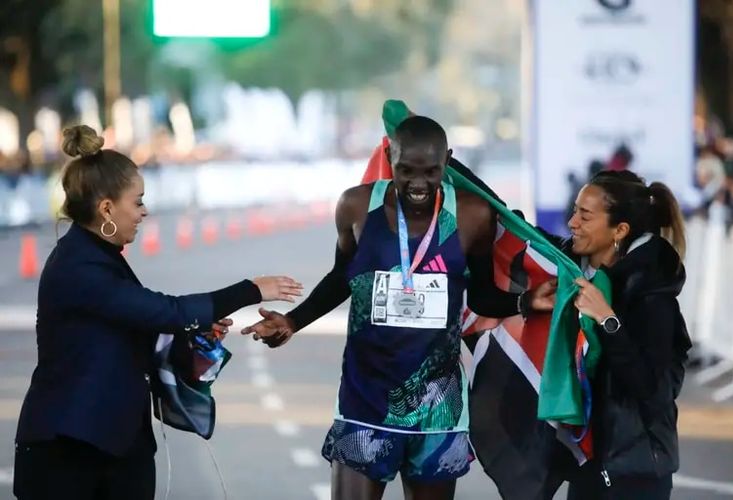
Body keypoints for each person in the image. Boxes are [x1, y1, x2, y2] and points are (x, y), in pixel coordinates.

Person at [242, 116, 553, 500]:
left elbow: (482, 296)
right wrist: (293, 320)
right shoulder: (357, 206)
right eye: (406, 170)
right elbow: (343, 277)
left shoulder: (472, 216)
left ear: (447, 161)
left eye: (430, 172)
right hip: (365, 399)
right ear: (390, 157)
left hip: (438, 407)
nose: (417, 184)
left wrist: (524, 302)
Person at [13, 125, 303, 500]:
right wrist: (251, 290)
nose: (145, 212)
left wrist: (193, 334)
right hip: (71, 446)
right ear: (106, 208)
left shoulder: (99, 257)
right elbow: (163, 310)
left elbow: (142, 327)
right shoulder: (78, 266)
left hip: (115, 442)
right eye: (137, 202)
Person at [551, 170, 691, 499]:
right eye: (574, 211)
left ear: (620, 230)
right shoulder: (578, 276)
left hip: (636, 470)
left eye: (585, 216)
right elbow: (524, 237)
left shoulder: (652, 294)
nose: (572, 223)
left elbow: (651, 389)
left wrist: (608, 320)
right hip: (589, 463)